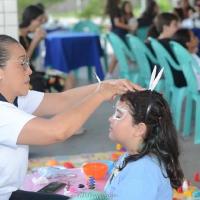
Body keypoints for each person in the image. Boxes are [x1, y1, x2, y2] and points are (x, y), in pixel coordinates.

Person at [0, 34, 139, 200]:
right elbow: (57, 131)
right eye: (22, 63)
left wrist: (108, 85)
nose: (29, 70)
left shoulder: (16, 97)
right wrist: (100, 94)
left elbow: (62, 100)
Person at [104, 90, 184, 200]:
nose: (110, 119)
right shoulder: (132, 155)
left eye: (118, 115)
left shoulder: (141, 173)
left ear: (139, 129)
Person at [105, 0, 135, 79]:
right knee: (118, 55)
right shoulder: (116, 9)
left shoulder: (114, 9)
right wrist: (129, 27)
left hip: (117, 34)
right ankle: (109, 74)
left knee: (119, 55)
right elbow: (117, 23)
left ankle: (113, 74)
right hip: (119, 35)